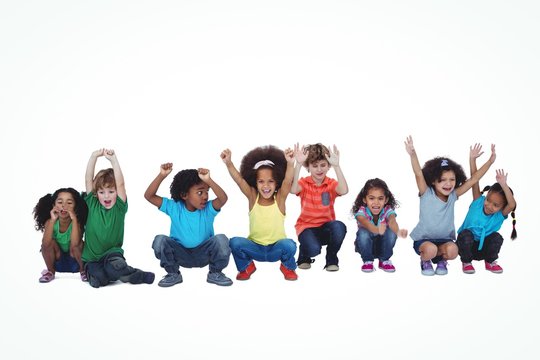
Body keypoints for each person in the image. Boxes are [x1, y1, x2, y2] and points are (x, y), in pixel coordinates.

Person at [404, 136, 495, 276]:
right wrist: (413, 154)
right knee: (430, 250)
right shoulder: (426, 193)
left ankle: (441, 259)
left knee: (453, 251)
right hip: (424, 240)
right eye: (443, 180)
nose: (448, 184)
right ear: (433, 181)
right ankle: (425, 260)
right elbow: (418, 173)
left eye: (452, 179)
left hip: (445, 240)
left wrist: (489, 161)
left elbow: (474, 179)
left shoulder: (453, 195)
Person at [144, 164, 233, 287]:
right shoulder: (174, 207)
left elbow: (223, 199)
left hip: (204, 253)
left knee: (222, 239)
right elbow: (149, 196)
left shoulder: (208, 209)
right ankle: (173, 273)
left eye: (207, 191)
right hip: (180, 254)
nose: (205, 196)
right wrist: (162, 175)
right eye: (200, 192)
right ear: (184, 195)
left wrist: (209, 180)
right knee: (160, 240)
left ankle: (215, 273)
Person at [221, 145, 298, 281]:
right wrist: (229, 163)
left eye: (270, 181)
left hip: (276, 248)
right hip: (254, 248)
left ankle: (287, 267)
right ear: (255, 183)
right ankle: (246, 267)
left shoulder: (279, 199)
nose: (266, 186)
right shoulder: (252, 198)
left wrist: (290, 164)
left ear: (276, 183)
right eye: (261, 181)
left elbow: (287, 181)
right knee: (234, 242)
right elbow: (239, 180)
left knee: (290, 245)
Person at [82, 148, 155, 288]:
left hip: (112, 254)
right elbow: (87, 180)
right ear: (96, 193)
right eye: (102, 192)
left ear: (117, 192)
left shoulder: (119, 208)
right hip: (92, 258)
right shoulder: (92, 204)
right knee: (99, 281)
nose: (107, 196)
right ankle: (105, 273)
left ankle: (136, 275)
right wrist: (93, 157)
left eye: (111, 191)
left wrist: (114, 160)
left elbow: (121, 183)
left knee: (117, 266)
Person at [456, 144, 517, 274]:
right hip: (466, 246)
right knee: (466, 235)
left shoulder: (500, 215)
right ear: (486, 196)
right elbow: (474, 179)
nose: (489, 205)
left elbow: (511, 205)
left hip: (482, 249)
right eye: (488, 200)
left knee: (497, 237)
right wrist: (472, 159)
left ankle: (490, 262)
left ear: (501, 207)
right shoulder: (478, 202)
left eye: (495, 205)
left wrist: (504, 185)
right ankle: (466, 262)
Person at [291, 143, 348, 271]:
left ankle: (331, 258)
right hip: (307, 228)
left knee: (339, 226)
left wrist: (337, 166)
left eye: (323, 165)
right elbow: (293, 190)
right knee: (313, 250)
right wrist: (298, 164)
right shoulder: (304, 183)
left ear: (328, 167)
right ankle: (304, 255)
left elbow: (343, 190)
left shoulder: (330, 183)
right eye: (315, 166)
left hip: (326, 228)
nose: (319, 169)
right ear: (309, 167)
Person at [351, 178, 408, 273]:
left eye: (380, 198)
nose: (376, 202)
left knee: (391, 232)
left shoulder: (387, 210)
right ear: (365, 200)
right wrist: (377, 230)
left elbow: (392, 221)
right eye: (371, 198)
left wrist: (397, 231)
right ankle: (367, 261)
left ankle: (384, 260)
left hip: (383, 247)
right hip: (366, 247)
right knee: (363, 232)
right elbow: (367, 224)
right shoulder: (362, 212)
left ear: (386, 200)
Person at [33, 187, 88, 283]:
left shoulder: (77, 223)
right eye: (60, 202)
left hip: (76, 262)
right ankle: (50, 272)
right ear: (54, 205)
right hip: (57, 261)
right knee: (49, 242)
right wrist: (53, 220)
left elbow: (75, 244)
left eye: (69, 203)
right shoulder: (50, 222)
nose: (64, 206)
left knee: (77, 243)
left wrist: (74, 219)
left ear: (75, 206)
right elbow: (45, 244)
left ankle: (83, 271)